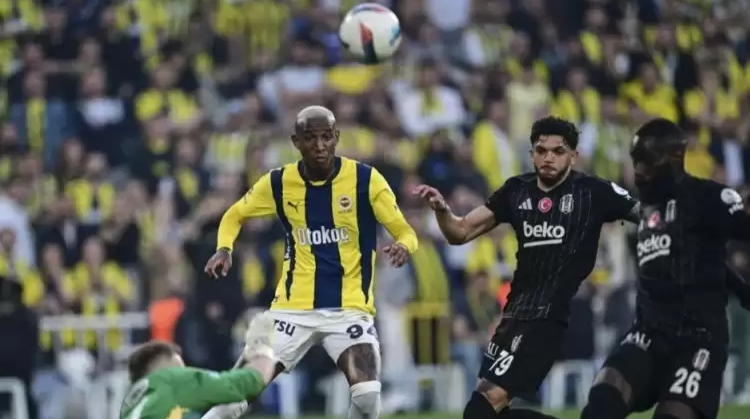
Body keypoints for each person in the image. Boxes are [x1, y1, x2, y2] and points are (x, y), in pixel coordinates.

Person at [414, 116, 640, 419]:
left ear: (574, 156)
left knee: (484, 405)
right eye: (541, 150)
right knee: (482, 411)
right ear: (532, 154)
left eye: (558, 151)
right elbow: (460, 232)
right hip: (513, 318)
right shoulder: (516, 191)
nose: (548, 157)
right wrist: (443, 211)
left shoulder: (592, 191)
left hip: (548, 317)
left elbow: (649, 215)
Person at [203, 105, 418, 419]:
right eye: (310, 138)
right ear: (296, 142)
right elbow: (235, 214)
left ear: (337, 138)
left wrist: (404, 245)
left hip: (348, 309)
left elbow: (405, 231)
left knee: (368, 396)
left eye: (326, 137)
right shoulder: (279, 182)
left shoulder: (366, 180)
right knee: (237, 393)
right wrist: (224, 248)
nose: (319, 145)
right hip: (292, 310)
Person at [577, 118, 750, 419]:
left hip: (699, 338)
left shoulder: (709, 196)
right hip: (649, 333)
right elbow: (696, 263)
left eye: (645, 162)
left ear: (671, 159)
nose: (638, 171)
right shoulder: (643, 211)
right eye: (635, 161)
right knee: (603, 397)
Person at [119, 314, 278, 419]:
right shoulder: (173, 380)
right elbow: (250, 381)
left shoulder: (129, 407)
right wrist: (263, 347)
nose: (185, 373)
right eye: (181, 370)